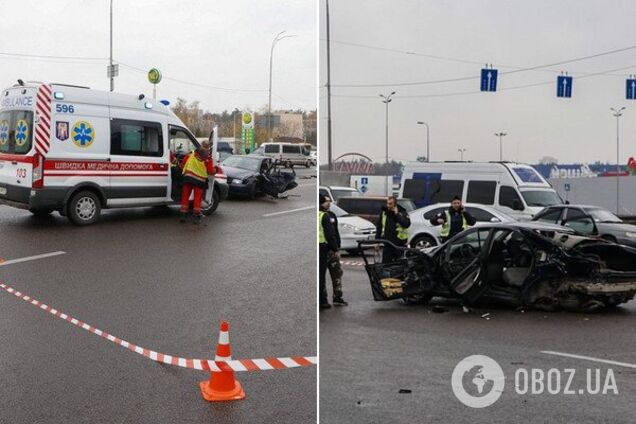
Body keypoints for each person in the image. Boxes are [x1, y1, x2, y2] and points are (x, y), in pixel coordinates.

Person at [319, 195, 345, 308]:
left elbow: (335, 233)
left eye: (329, 201)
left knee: (337, 274)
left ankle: (337, 297)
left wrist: (338, 247)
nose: (328, 203)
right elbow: (329, 235)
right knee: (321, 276)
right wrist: (335, 248)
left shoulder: (332, 215)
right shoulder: (322, 215)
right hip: (325, 250)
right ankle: (323, 299)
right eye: (326, 202)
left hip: (332, 251)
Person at [179, 141, 216, 224]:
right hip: (199, 181)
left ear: (201, 145)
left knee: (185, 196)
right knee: (197, 198)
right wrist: (215, 170)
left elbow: (183, 164)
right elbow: (210, 171)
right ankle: (196, 217)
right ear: (208, 148)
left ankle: (183, 215)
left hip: (188, 178)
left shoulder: (191, 153)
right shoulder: (208, 158)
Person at [374, 196, 411, 263]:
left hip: (399, 244)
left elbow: (406, 224)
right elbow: (379, 227)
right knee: (385, 264)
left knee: (399, 265)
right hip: (387, 243)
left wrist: (397, 215)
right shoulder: (384, 212)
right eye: (387, 203)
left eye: (390, 204)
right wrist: (377, 242)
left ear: (395, 204)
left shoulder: (402, 212)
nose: (388, 205)